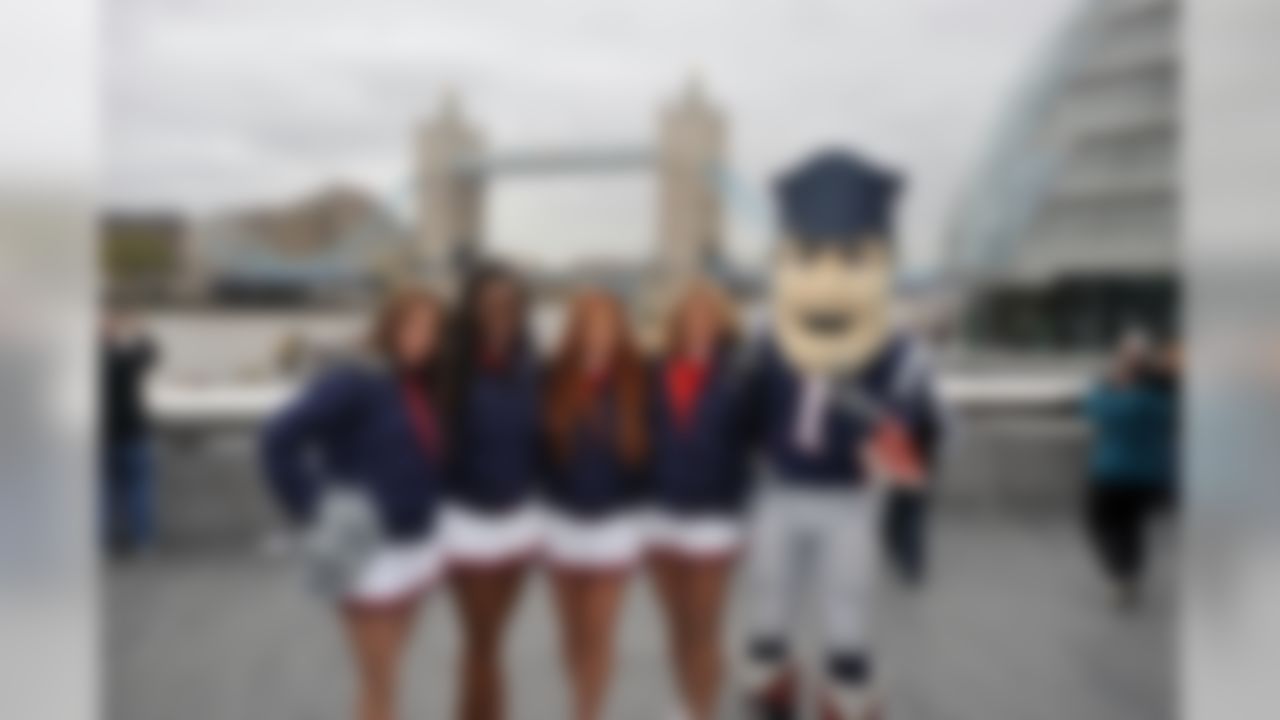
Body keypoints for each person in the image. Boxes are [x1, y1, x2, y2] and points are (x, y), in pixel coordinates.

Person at [741, 149, 940, 720]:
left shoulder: (895, 356)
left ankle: (846, 691)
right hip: (779, 492)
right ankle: (771, 679)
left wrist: (904, 435)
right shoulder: (767, 349)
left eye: (852, 257)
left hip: (850, 498)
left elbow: (920, 431)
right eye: (807, 256)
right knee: (770, 596)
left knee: (846, 604)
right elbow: (745, 418)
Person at [260, 288, 451, 720]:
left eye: (434, 330)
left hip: (416, 544)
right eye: (413, 326)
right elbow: (278, 437)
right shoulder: (353, 381)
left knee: (384, 678)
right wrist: (312, 506)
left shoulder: (422, 383)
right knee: (382, 681)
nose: (424, 338)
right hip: (365, 550)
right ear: (389, 328)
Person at [541, 289, 649, 720]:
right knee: (572, 636)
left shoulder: (637, 379)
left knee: (600, 633)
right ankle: (579, 701)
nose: (599, 335)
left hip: (615, 527)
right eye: (590, 326)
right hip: (561, 524)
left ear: (620, 330)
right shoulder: (553, 377)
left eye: (608, 326)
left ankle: (588, 713)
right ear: (576, 331)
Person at [442, 262, 544, 720]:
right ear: (473, 309)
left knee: (489, 642)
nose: (502, 312)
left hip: (520, 523)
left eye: (512, 304)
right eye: (491, 304)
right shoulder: (450, 366)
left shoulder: (529, 365)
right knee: (483, 642)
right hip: (467, 522)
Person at [647, 280, 751, 720]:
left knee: (706, 627)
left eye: (709, 315)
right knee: (677, 626)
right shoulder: (653, 369)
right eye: (690, 315)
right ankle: (685, 703)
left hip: (716, 515)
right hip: (658, 513)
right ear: (676, 322)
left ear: (722, 320)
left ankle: (703, 710)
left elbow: (765, 439)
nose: (699, 323)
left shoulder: (741, 372)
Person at [1083, 330, 1176, 609]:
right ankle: (1129, 575)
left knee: (1101, 523)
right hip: (1149, 475)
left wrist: (1110, 384)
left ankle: (1121, 575)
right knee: (1131, 527)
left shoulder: (1130, 395)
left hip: (1114, 472)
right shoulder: (1164, 392)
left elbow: (1097, 409)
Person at [100, 306, 161, 556]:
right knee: (139, 488)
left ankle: (102, 543)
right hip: (133, 431)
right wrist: (139, 330)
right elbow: (150, 354)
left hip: (100, 434)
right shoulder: (126, 358)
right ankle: (142, 542)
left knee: (101, 491)